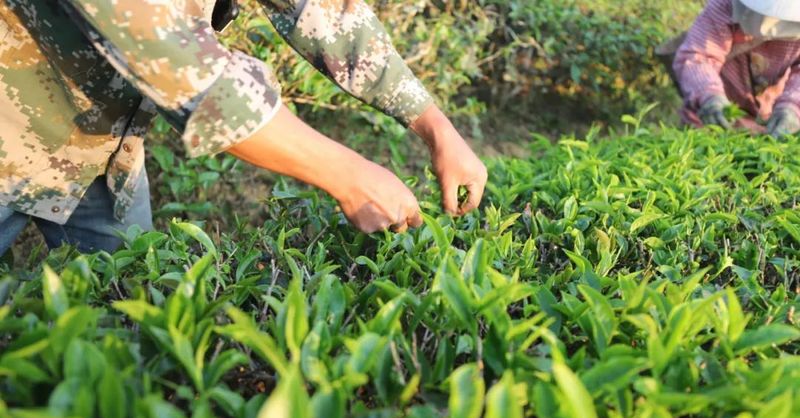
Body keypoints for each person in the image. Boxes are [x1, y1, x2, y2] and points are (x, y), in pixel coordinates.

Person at [0, 0, 487, 256]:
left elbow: (322, 14)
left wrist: (436, 127)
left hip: (103, 150)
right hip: (11, 140)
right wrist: (350, 177)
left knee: (125, 318)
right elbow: (186, 69)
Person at [673, 0, 800, 137]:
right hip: (713, 112)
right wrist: (709, 95)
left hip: (768, 115)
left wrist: (792, 105)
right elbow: (698, 56)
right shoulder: (724, 6)